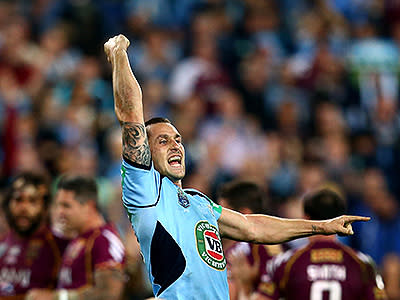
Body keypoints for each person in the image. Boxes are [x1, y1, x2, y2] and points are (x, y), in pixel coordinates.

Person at [104, 34, 370, 300]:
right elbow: (131, 116)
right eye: (163, 141)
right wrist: (119, 55)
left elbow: (252, 228)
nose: (175, 146)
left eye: (178, 140)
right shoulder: (147, 192)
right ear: (146, 154)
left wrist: (322, 227)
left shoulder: (200, 203)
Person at [251, 188, 388, 300]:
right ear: (342, 220)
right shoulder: (363, 264)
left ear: (305, 218)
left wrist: (245, 285)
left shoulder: (285, 263)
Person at [26, 175, 126, 300]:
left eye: (66, 206)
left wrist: (57, 297)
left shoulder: (104, 240)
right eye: (57, 205)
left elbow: (109, 294)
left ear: (89, 206)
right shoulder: (78, 238)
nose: (59, 212)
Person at [0, 172, 68, 299]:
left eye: (32, 201)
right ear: (7, 205)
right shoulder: (2, 243)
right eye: (18, 200)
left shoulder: (60, 247)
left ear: (46, 208)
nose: (24, 208)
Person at [218, 181, 282, 300]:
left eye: (224, 213)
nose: (217, 219)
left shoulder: (257, 249)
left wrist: (244, 286)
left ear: (244, 214)